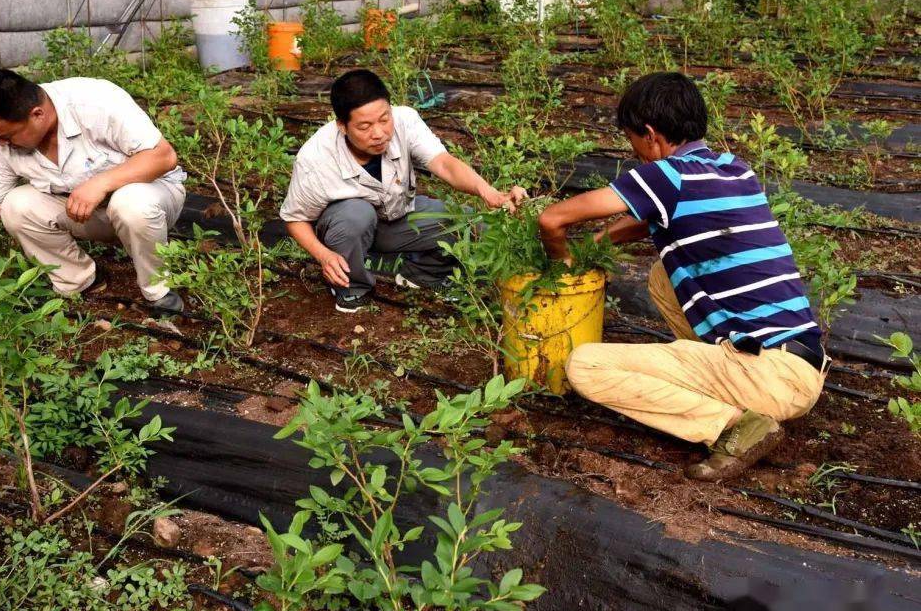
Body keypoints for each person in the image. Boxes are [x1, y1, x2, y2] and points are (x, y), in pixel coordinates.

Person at [538, 72, 829, 481]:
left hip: (766, 376)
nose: (635, 152)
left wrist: (564, 264)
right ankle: (727, 381)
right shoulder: (733, 168)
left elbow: (552, 219)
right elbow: (642, 222)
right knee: (662, 274)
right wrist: (598, 243)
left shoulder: (664, 175)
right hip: (802, 368)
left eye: (632, 141)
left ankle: (734, 424)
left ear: (651, 135)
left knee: (585, 365)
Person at [0, 68, 187, 313]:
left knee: (131, 203)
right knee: (15, 205)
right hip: (85, 213)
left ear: (37, 114)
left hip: (153, 197)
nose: (2, 143)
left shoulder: (96, 102)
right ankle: (79, 281)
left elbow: (163, 157)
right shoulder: (3, 144)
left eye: (8, 135)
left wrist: (101, 182)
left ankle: (159, 291)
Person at [280, 69, 527, 313]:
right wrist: (323, 256)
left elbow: (444, 163)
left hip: (395, 216)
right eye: (364, 126)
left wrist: (488, 192)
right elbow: (295, 219)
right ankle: (352, 287)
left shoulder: (405, 120)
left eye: (384, 119)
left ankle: (423, 274)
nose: (378, 133)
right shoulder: (316, 158)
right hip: (347, 229)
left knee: (472, 224)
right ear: (342, 126)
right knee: (355, 214)